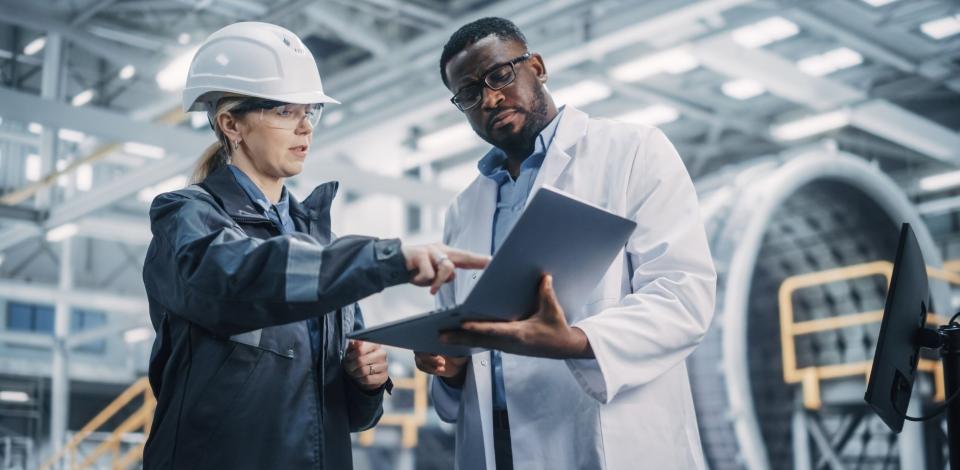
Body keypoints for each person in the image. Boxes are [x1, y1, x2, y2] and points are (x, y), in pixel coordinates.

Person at [141, 22, 488, 470]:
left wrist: (363, 382)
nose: (305, 127)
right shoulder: (185, 219)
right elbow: (241, 278)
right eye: (286, 112)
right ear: (231, 124)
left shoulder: (317, 243)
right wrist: (387, 257)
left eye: (310, 112)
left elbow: (343, 416)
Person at [413, 17, 717, 469]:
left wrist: (576, 340)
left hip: (605, 439)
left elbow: (683, 296)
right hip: (498, 449)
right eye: (470, 94)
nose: (491, 98)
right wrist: (450, 370)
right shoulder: (463, 209)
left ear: (536, 66)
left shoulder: (633, 152)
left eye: (500, 75)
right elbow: (468, 344)